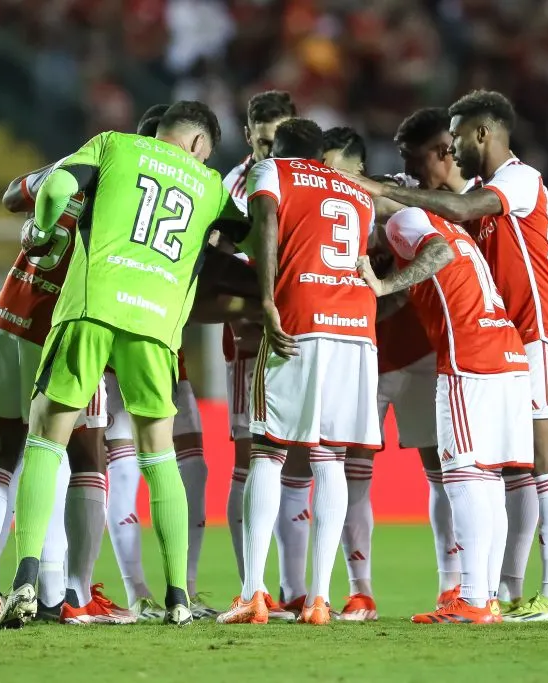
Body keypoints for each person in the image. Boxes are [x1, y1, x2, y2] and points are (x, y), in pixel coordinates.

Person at [346, 89, 548, 621]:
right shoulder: (487, 192)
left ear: (479, 135)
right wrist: (544, 223)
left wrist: (539, 220)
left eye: (454, 138)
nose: (451, 149)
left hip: (537, 328)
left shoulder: (512, 182)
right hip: (520, 335)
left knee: (546, 459)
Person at [0, 101, 248, 629]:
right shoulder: (210, 186)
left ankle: (24, 578)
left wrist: (46, 234)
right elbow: (249, 237)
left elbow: (57, 188)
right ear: (201, 145)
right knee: (160, 454)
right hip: (156, 329)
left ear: (159, 132)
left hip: (92, 308)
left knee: (47, 437)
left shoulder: (113, 145)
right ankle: (179, 594)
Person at [216, 119, 380, 626]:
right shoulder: (356, 191)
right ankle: (319, 599)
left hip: (300, 319)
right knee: (329, 454)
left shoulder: (272, 171)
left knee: (267, 452)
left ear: (281, 147)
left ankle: (253, 593)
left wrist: (265, 298)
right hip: (356, 326)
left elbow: (266, 225)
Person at [358, 201, 533, 624]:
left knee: (462, 475)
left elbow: (438, 255)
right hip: (506, 353)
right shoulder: (452, 229)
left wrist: (380, 285)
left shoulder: (404, 221)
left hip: (469, 359)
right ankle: (485, 597)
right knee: (488, 476)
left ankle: (472, 598)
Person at [0, 160, 121, 625]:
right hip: (60, 334)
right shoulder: (125, 206)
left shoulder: (65, 182)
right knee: (82, 455)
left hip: (8, 318)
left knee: (2, 450)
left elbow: (12, 192)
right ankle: (64, 593)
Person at [318, 125, 442, 622]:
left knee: (442, 471)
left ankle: (455, 588)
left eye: (335, 169)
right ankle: (360, 591)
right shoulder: (317, 205)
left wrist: (378, 295)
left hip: (418, 351)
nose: (326, 178)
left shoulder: (391, 199)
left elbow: (428, 259)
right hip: (362, 356)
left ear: (360, 171)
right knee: (354, 475)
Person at [100, 105, 219, 621]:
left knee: (188, 470)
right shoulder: (127, 177)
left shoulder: (181, 190)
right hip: (121, 337)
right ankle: (135, 590)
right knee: (125, 469)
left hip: (165, 348)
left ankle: (181, 589)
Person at [221, 91, 309, 620]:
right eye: (261, 135)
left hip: (302, 330)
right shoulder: (234, 186)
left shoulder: (304, 176)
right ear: (249, 131)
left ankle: (295, 588)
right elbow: (216, 255)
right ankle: (249, 582)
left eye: (279, 136)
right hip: (252, 337)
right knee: (250, 457)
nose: (269, 145)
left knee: (299, 458)